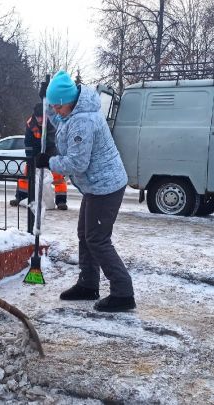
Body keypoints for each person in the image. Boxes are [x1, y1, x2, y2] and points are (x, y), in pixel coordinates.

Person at [36, 70, 135, 312]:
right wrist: (47, 103)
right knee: (85, 234)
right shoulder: (75, 109)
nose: (56, 112)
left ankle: (123, 293)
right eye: (55, 106)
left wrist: (49, 161)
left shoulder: (83, 121)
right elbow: (59, 119)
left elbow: (77, 163)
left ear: (68, 101)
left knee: (97, 239)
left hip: (106, 186)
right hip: (95, 185)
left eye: (58, 106)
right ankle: (88, 284)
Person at [10, 102, 68, 210]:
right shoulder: (30, 123)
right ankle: (20, 197)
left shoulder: (52, 121)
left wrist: (49, 157)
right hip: (36, 150)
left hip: (51, 150)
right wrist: (29, 158)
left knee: (58, 176)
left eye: (42, 117)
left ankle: (61, 201)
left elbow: (54, 141)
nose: (40, 120)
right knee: (27, 174)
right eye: (38, 117)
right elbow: (28, 142)